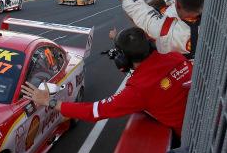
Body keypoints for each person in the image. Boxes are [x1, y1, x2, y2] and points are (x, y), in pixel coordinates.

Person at [21, 27, 192, 137]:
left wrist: (48, 101)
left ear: (123, 59)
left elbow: (95, 111)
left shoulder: (138, 89)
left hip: (187, 138)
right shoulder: (176, 57)